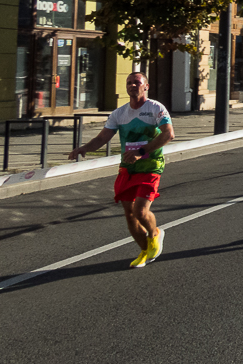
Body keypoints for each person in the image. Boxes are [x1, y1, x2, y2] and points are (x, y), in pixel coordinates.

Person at [68, 71, 174, 269]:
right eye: (129, 83)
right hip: (128, 169)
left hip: (150, 166)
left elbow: (169, 134)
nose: (132, 85)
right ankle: (144, 251)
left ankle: (155, 234)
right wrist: (83, 148)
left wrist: (141, 151)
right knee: (129, 214)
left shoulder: (155, 108)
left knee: (140, 211)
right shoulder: (119, 113)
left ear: (146, 86)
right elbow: (102, 138)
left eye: (136, 82)